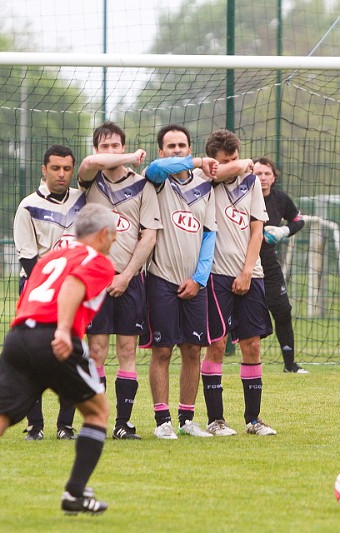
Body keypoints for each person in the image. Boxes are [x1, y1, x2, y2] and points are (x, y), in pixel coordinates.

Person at [0, 204, 118, 525]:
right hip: (55, 338)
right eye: (114, 235)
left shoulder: (49, 257)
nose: (115, 241)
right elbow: (72, 286)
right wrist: (64, 330)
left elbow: (30, 296)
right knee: (97, 412)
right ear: (104, 234)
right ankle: (75, 493)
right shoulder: (98, 260)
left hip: (19, 336)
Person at [77, 121, 161, 439]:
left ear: (123, 146)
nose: (110, 152)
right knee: (96, 351)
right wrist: (127, 157)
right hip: (95, 279)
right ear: (97, 149)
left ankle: (123, 424)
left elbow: (149, 236)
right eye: (105, 146)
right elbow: (87, 164)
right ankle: (95, 420)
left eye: (116, 146)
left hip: (130, 279)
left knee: (127, 351)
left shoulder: (143, 186)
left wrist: (126, 275)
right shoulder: (90, 181)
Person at [142, 124, 219, 439]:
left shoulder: (205, 187)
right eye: (170, 146)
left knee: (193, 350)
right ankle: (163, 422)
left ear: (189, 147)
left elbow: (209, 233)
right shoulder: (157, 181)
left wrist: (199, 279)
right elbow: (154, 167)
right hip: (161, 278)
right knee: (162, 351)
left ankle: (187, 419)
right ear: (162, 151)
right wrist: (198, 161)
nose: (176, 150)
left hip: (193, 284)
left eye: (182, 145)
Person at [202, 129, 277, 436]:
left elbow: (256, 230)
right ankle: (216, 419)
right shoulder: (205, 181)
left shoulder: (251, 183)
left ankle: (253, 419)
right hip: (215, 274)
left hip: (251, 274)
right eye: (225, 160)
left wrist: (247, 271)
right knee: (217, 345)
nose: (235, 165)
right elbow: (221, 170)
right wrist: (243, 161)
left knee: (252, 346)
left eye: (236, 158)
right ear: (212, 162)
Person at [13, 144, 86, 441]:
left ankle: (65, 426)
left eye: (67, 169)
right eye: (55, 168)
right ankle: (35, 425)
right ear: (44, 170)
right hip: (37, 289)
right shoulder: (28, 206)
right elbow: (28, 258)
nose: (61, 174)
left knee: (69, 357)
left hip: (74, 290)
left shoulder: (83, 201)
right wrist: (52, 291)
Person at [254, 156, 308, 374]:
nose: (263, 178)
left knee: (283, 311)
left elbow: (298, 220)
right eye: (258, 174)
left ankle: (290, 365)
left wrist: (284, 231)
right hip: (240, 265)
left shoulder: (281, 199)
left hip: (269, 266)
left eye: (267, 173)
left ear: (274, 177)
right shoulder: (244, 198)